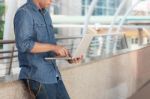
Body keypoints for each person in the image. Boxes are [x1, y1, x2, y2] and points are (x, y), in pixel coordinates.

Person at [14, 0, 83, 99]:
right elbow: (23, 44)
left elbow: (49, 49)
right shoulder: (24, 13)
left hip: (53, 75)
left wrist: (67, 57)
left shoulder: (45, 14)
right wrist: (54, 47)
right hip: (38, 76)